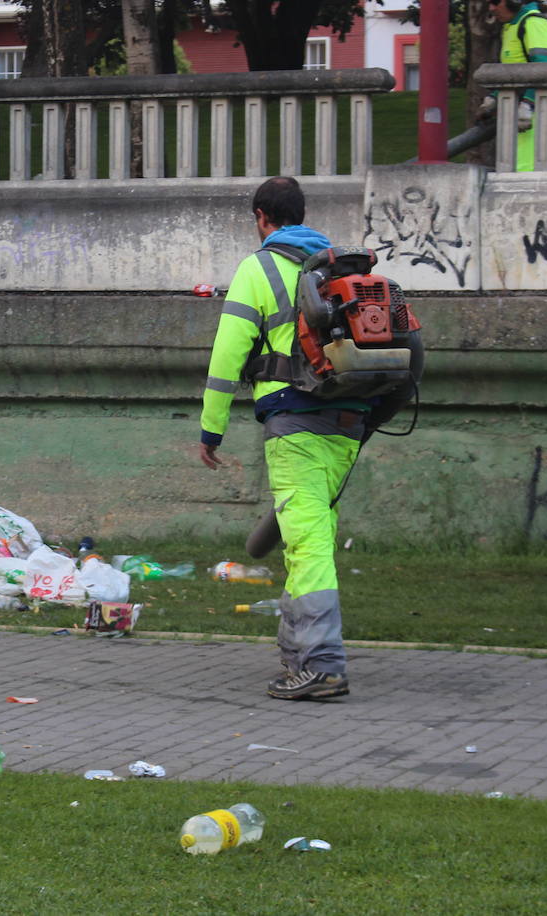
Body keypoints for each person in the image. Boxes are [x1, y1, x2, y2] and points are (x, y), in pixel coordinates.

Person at [198, 176, 368, 701]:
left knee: (309, 542)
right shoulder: (334, 267)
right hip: (349, 423)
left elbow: (229, 353)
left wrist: (211, 427)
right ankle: (299, 657)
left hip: (294, 423)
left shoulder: (259, 268)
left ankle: (322, 666)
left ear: (261, 218)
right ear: (302, 214)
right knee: (304, 537)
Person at [479, 0, 547, 172]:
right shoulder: (511, 27)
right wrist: (494, 98)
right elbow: (513, 74)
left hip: (534, 116)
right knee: (512, 172)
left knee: (525, 176)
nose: (492, 8)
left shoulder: (534, 23)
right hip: (516, 114)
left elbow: (545, 69)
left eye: (495, 2)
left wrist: (528, 105)